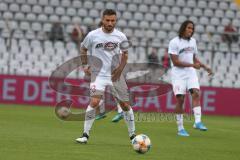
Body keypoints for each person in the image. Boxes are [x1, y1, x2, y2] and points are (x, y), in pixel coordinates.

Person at [76, 9, 136, 143]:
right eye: (107, 20)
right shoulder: (92, 35)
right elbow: (83, 49)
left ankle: (132, 135)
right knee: (94, 102)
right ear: (102, 20)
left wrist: (119, 71)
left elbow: (125, 54)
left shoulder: (121, 36)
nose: (110, 23)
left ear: (116, 21)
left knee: (125, 105)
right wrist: (85, 65)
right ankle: (85, 135)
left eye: (113, 20)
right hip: (97, 75)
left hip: (116, 74)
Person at [168, 20, 213, 137]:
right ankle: (180, 128)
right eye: (189, 28)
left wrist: (204, 67)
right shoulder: (174, 42)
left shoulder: (193, 42)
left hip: (190, 73)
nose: (191, 30)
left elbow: (193, 58)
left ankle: (197, 122)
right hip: (178, 74)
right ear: (183, 28)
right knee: (180, 100)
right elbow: (175, 62)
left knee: (196, 94)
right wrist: (193, 65)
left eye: (192, 29)